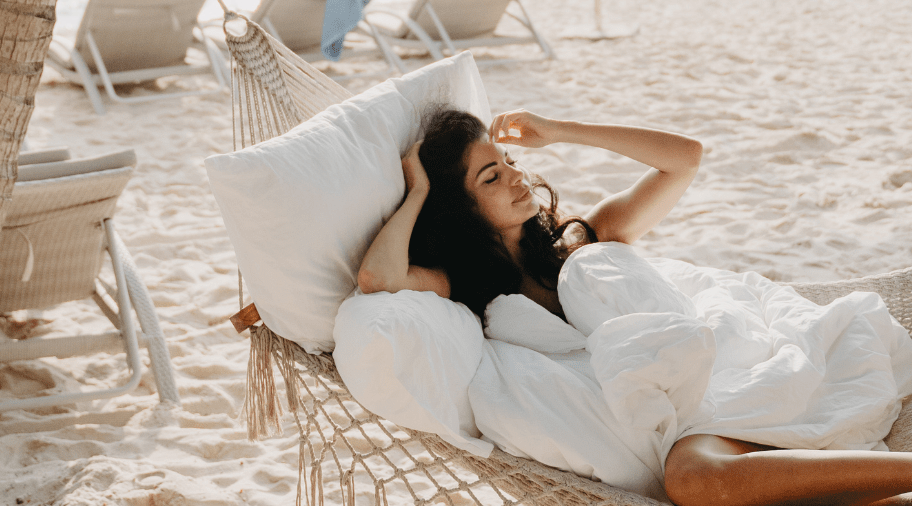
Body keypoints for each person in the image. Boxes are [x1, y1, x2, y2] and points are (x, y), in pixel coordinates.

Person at [357, 107, 912, 506]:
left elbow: (685, 159)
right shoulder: (466, 288)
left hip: (725, 371)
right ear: (461, 206)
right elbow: (376, 277)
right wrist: (420, 192)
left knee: (692, 479)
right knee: (692, 479)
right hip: (667, 425)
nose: (516, 176)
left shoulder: (586, 237)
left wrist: (559, 130)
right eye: (492, 176)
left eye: (509, 162)